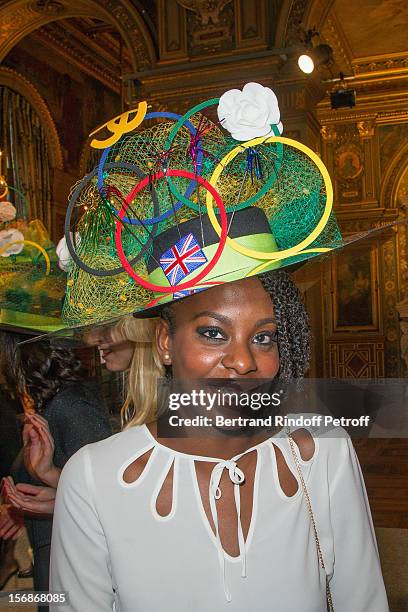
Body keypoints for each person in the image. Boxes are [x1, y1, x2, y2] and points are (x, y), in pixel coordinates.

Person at [47, 81, 395, 611]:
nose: (244, 361)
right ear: (165, 341)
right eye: (212, 331)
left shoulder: (323, 457)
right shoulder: (93, 480)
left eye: (264, 337)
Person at [0, 331, 113, 610]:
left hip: (73, 561)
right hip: (53, 554)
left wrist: (49, 488)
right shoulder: (48, 402)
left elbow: (107, 500)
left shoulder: (71, 406)